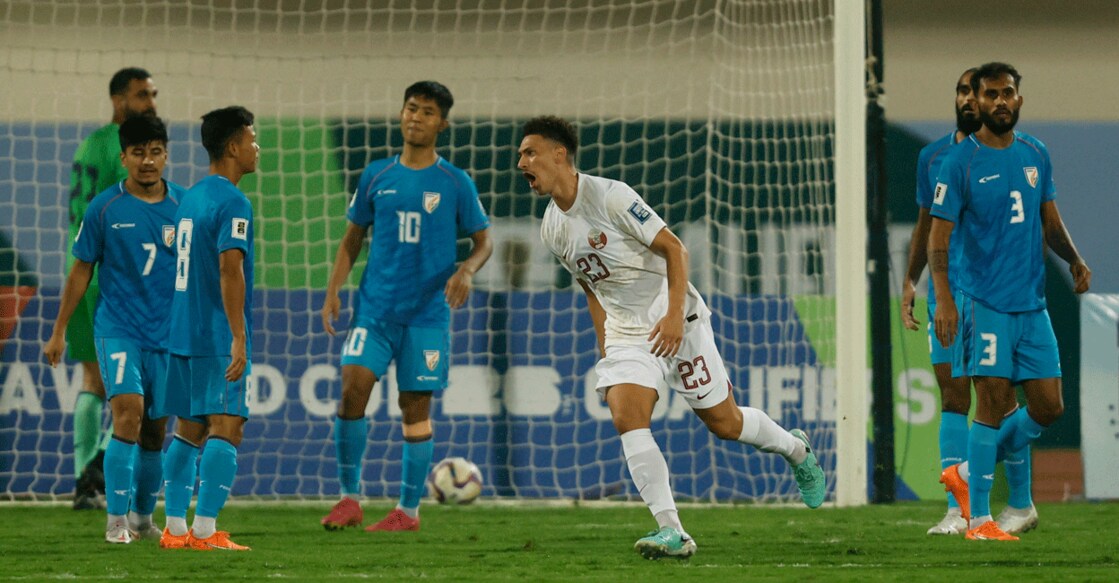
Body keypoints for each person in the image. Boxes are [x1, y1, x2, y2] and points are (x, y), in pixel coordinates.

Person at [517, 115, 825, 560]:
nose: (521, 162)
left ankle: (796, 450)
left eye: (530, 152)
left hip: (677, 319)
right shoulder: (552, 228)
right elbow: (590, 285)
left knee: (725, 423)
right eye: (521, 154)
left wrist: (676, 316)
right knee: (626, 413)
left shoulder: (610, 195)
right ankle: (672, 531)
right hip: (627, 333)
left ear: (559, 154)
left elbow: (675, 249)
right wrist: (606, 339)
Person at [319, 81, 492, 533]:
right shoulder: (376, 175)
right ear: (401, 114)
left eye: (428, 111)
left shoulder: (455, 182)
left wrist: (467, 270)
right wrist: (334, 289)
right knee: (353, 386)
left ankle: (407, 512)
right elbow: (352, 239)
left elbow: (483, 241)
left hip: (427, 317)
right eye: (411, 108)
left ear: (443, 124)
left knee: (414, 408)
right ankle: (349, 498)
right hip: (375, 310)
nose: (416, 117)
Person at [929, 62, 1091, 541]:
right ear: (976, 102)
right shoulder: (960, 162)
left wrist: (1075, 259)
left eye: (1008, 93)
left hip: (1032, 305)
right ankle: (979, 519)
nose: (1000, 101)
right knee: (993, 401)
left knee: (1048, 406)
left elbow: (1049, 221)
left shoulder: (1035, 153)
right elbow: (939, 239)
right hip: (985, 302)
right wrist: (944, 300)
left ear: (1019, 99)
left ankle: (963, 472)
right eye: (991, 94)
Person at [43, 116, 198, 543]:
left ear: (166, 154)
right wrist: (58, 331)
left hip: (166, 336)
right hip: (118, 328)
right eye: (138, 153)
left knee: (155, 430)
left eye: (155, 152)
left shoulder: (185, 207)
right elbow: (80, 271)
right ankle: (115, 521)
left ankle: (142, 519)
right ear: (123, 157)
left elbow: (199, 272)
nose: (147, 162)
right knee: (127, 411)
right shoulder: (104, 208)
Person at [166, 106, 259, 551]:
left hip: (183, 329)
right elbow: (229, 269)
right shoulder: (233, 201)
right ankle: (204, 530)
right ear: (233, 147)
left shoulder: (191, 196)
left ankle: (175, 529)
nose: (257, 148)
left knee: (188, 428)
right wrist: (238, 335)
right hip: (215, 333)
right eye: (252, 140)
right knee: (228, 426)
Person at [66, 66, 159, 510]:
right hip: (108, 276)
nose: (151, 102)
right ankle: (96, 470)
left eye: (152, 94)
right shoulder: (119, 149)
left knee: (92, 379)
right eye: (143, 94)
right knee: (134, 386)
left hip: (80, 268)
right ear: (119, 99)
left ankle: (86, 480)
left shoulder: (88, 144)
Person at [901, 67, 987, 536]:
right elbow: (923, 226)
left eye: (975, 91)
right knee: (954, 396)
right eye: (961, 90)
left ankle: (1016, 502)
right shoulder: (932, 157)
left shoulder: (1013, 155)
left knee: (1001, 401)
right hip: (945, 295)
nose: (968, 99)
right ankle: (958, 510)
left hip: (995, 295)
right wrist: (910, 283)